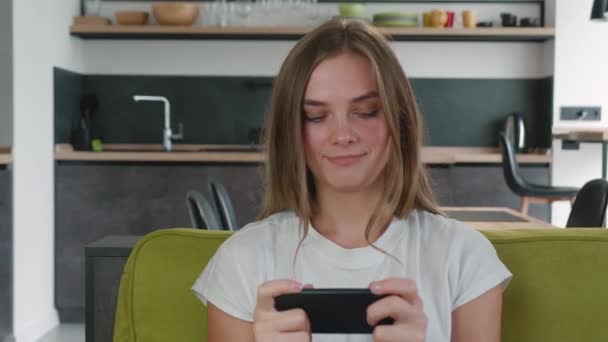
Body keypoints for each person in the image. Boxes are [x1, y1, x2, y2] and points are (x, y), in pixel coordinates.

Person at [192, 18, 512, 342]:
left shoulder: (464, 257)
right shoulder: (242, 260)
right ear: (291, 132)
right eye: (316, 116)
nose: (342, 135)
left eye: (367, 111)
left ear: (398, 119)